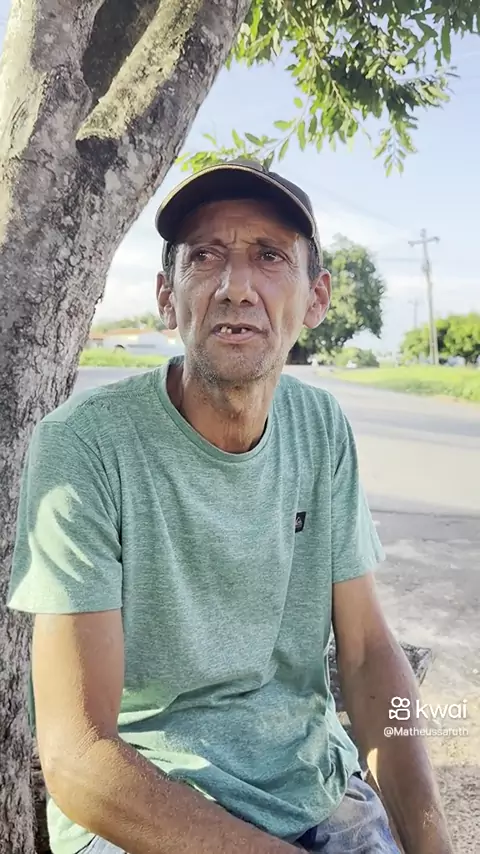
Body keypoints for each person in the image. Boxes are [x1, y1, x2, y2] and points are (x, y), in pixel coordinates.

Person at [8, 159, 453, 854]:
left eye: (269, 256)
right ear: (167, 297)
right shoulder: (85, 447)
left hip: (315, 789)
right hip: (150, 809)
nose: (235, 286)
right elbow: (78, 755)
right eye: (205, 256)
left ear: (316, 299)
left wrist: (432, 840)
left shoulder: (321, 429)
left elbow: (368, 652)